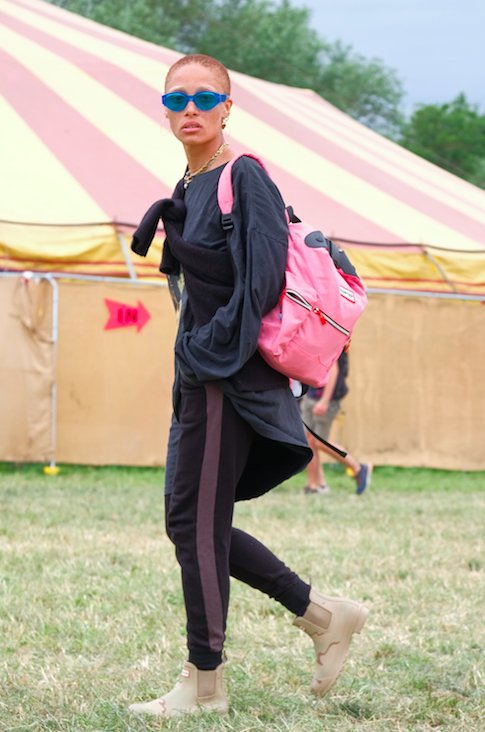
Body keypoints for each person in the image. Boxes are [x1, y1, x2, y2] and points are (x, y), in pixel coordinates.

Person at [128, 54, 368, 718]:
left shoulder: (245, 175)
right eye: (176, 100)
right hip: (200, 377)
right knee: (191, 522)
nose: (190, 109)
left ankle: (204, 683)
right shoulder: (190, 181)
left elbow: (261, 282)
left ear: (227, 106)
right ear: (165, 108)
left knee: (196, 524)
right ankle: (322, 615)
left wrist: (209, 354)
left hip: (227, 376)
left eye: (204, 97)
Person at [300, 351, 372, 495]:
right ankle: (315, 484)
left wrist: (325, 401)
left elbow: (333, 370)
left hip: (326, 400)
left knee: (320, 442)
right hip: (311, 396)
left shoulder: (334, 338)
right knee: (308, 442)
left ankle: (358, 467)